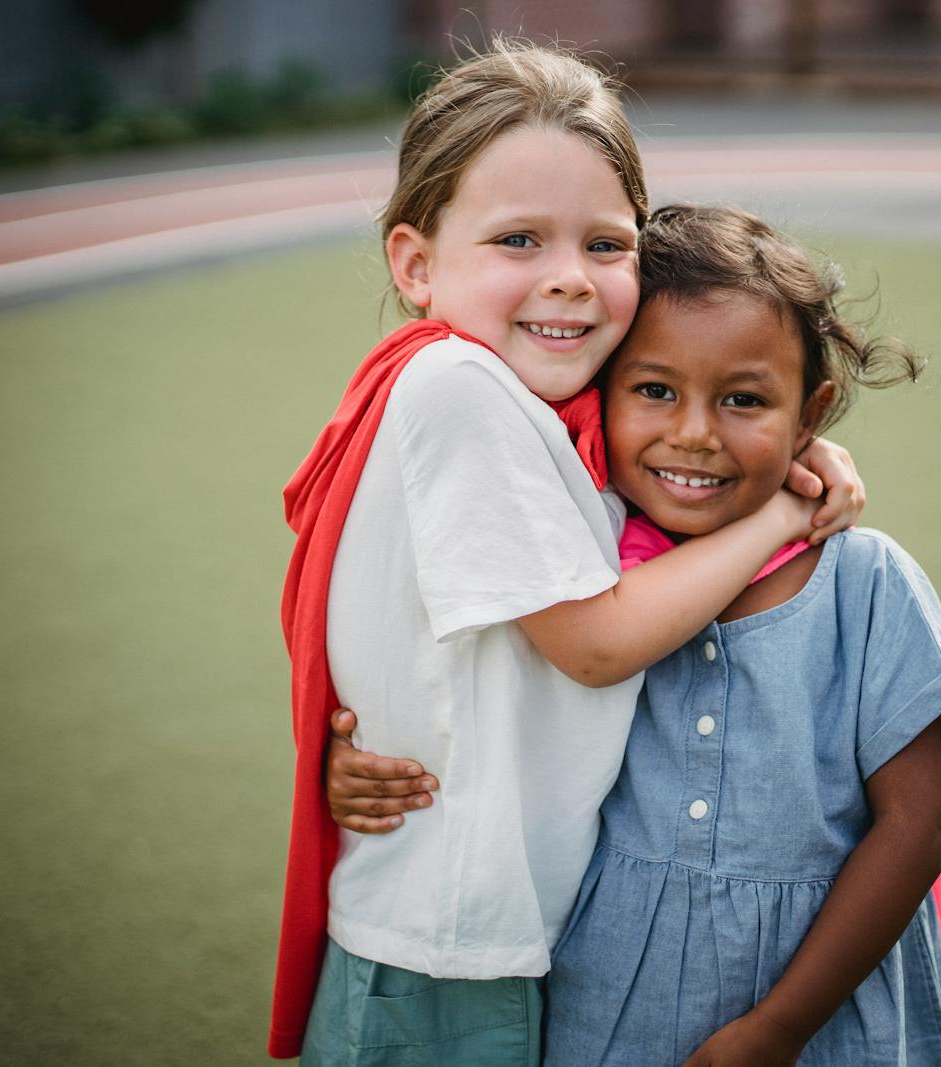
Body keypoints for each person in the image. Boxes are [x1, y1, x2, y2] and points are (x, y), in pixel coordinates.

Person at [271, 43, 866, 1064]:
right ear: (415, 263)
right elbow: (592, 644)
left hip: (479, 935)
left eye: (604, 243)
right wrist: (778, 515)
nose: (569, 281)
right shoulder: (460, 389)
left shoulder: (527, 405)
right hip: (444, 959)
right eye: (516, 239)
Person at [328, 205, 941, 1066]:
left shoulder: (867, 586)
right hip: (605, 1009)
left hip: (822, 1016)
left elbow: (918, 825)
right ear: (598, 393)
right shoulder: (576, 577)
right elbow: (480, 721)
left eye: (745, 399)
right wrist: (364, 762)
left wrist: (778, 1029)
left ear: (810, 412)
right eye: (654, 389)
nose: (694, 433)